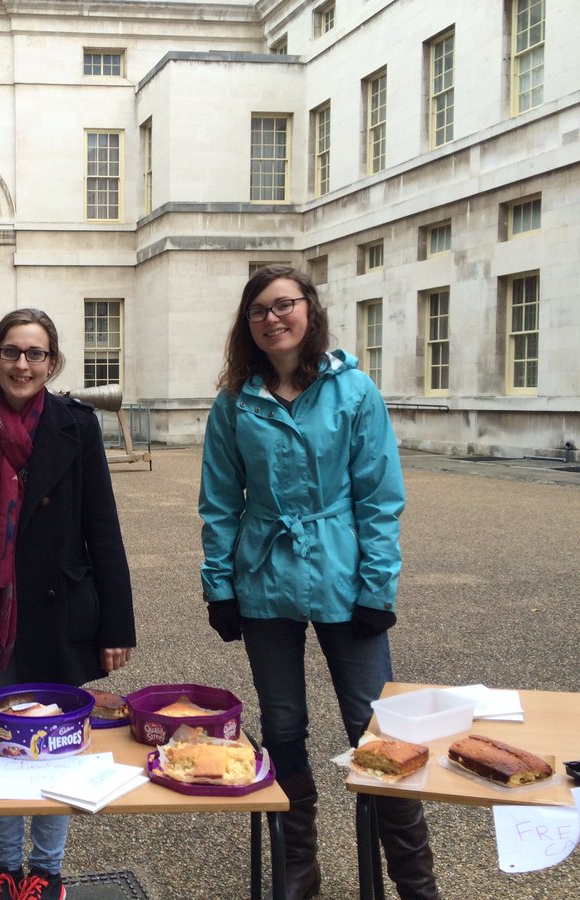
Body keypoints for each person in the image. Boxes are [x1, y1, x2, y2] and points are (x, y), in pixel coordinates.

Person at [198, 265, 439, 900]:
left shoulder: (355, 392)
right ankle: (296, 867)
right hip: (265, 576)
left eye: (284, 306)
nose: (272, 319)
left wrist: (377, 589)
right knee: (282, 724)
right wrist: (218, 584)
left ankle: (412, 879)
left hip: (343, 573)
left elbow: (379, 498)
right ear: (246, 325)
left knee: (374, 726)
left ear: (309, 310)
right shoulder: (233, 402)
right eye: (259, 311)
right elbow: (220, 502)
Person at [0, 308, 136, 900]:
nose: (23, 364)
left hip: (57, 609)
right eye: (12, 352)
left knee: (57, 746)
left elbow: (104, 527)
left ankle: (46, 871)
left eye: (35, 353)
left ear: (52, 361)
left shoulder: (77, 425)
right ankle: (5, 869)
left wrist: (116, 624)